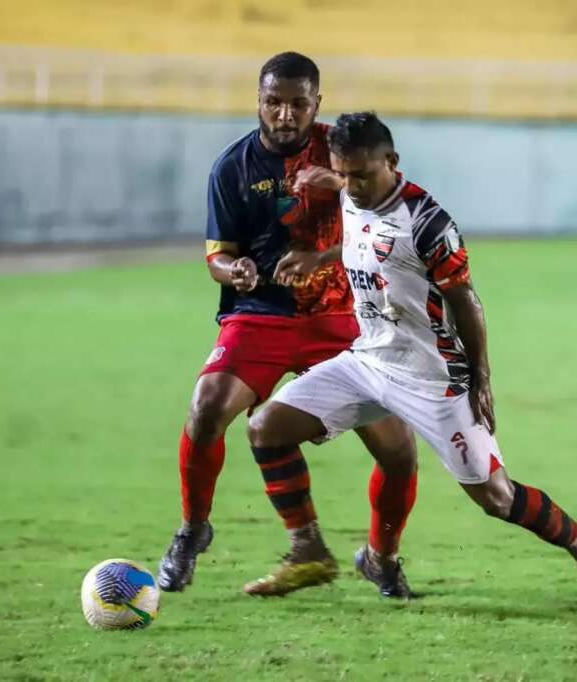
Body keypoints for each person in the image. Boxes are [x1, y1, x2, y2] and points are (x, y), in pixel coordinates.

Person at [247, 112, 577, 607]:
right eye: (343, 174)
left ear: (392, 162)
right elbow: (363, 240)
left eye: (362, 174)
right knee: (266, 429)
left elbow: (466, 301)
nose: (352, 186)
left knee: (496, 497)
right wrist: (320, 254)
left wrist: (482, 378)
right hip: (367, 361)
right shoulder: (349, 190)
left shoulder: (429, 223)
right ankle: (311, 548)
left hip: (433, 377)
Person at [158, 54, 420, 599]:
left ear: (316, 104)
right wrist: (237, 269)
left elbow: (395, 223)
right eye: (274, 102)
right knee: (207, 407)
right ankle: (195, 530)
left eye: (298, 103)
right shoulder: (231, 168)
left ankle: (382, 558)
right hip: (261, 316)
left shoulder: (343, 151)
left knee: (398, 450)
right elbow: (217, 256)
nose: (284, 114)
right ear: (258, 100)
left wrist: (324, 250)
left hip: (344, 319)